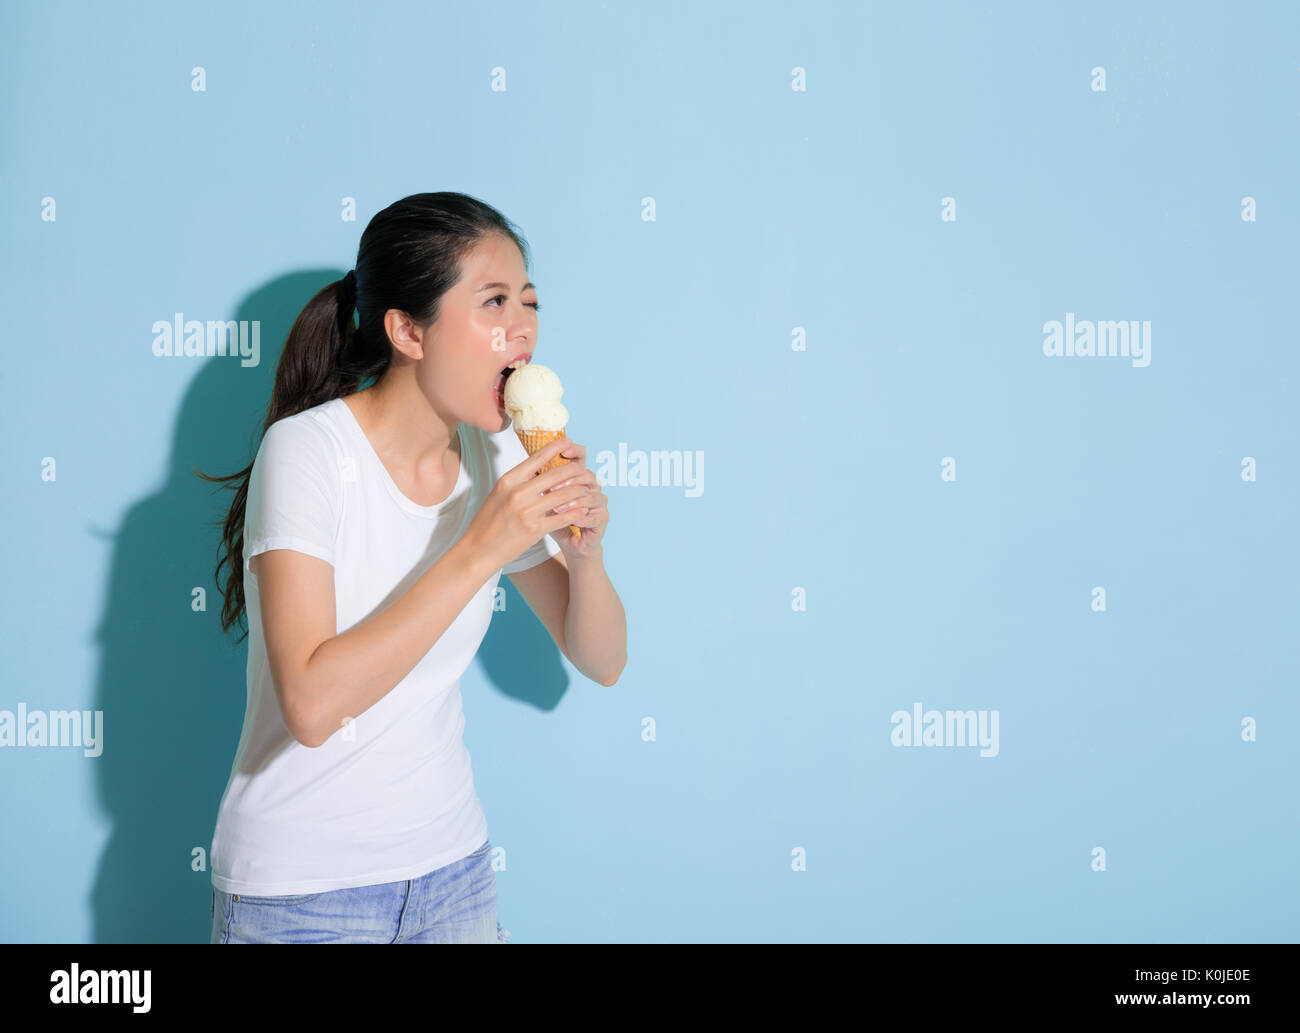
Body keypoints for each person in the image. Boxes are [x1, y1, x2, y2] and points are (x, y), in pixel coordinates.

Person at [196, 191, 627, 943]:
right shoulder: (308, 454)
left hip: (453, 871)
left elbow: (603, 660)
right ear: (406, 330)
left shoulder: (493, 454)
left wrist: (586, 560)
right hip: (303, 894)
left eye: (528, 302)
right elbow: (311, 703)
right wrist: (480, 547)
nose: (521, 327)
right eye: (492, 302)